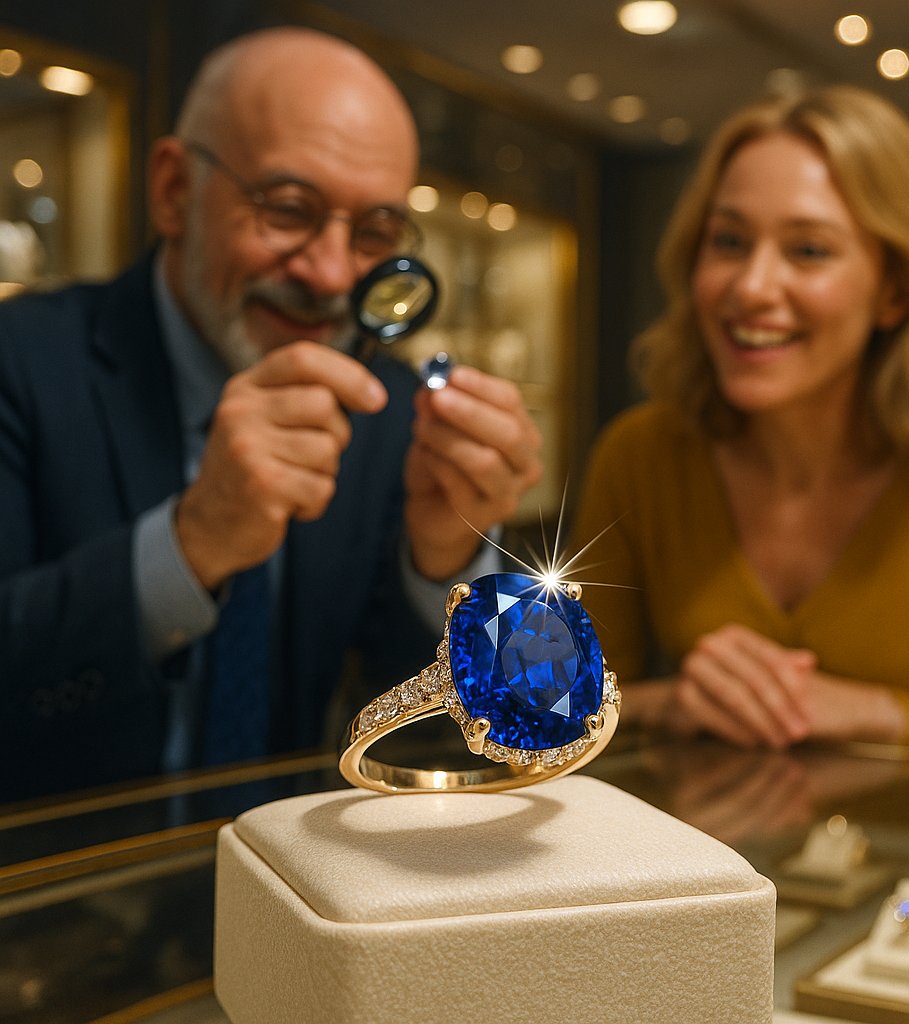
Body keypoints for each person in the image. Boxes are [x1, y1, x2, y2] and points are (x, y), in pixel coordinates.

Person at [0, 27, 542, 800]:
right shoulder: (21, 361)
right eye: (288, 210)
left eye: (375, 233)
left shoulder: (383, 412)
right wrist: (192, 544)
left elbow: (446, 736)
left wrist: (447, 562)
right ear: (174, 190)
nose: (328, 276)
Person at [572, 84, 909, 757]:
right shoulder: (639, 455)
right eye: (728, 240)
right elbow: (550, 722)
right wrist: (674, 702)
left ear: (895, 290)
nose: (751, 287)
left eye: (808, 251)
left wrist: (884, 717)